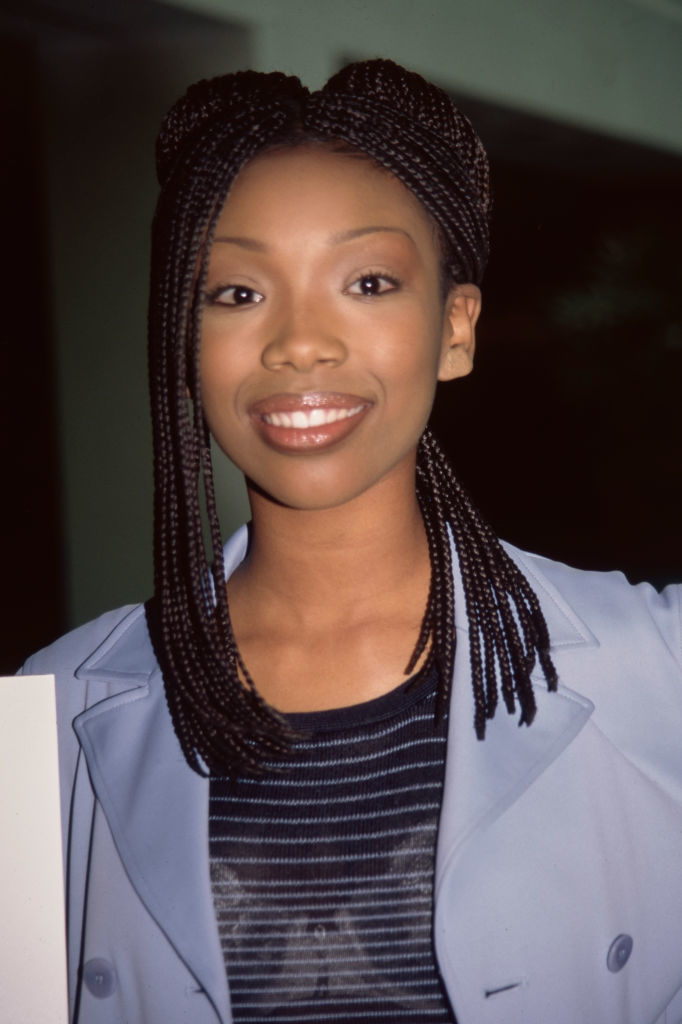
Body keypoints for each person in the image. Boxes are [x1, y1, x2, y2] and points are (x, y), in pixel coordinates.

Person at [20, 59, 682, 1024]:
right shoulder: (56, 709)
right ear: (179, 337)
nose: (299, 342)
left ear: (455, 329)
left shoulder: (655, 667)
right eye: (235, 293)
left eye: (367, 281)